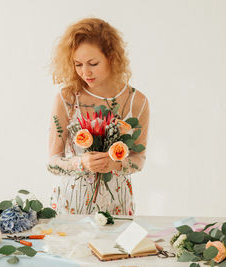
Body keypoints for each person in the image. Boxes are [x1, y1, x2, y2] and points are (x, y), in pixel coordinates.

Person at [47, 17, 149, 215]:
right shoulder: (66, 99)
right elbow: (52, 162)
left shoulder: (137, 102)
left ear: (111, 57)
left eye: (93, 63)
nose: (85, 72)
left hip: (117, 207)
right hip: (71, 207)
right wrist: (81, 163)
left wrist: (117, 164)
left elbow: (139, 159)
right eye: (78, 64)